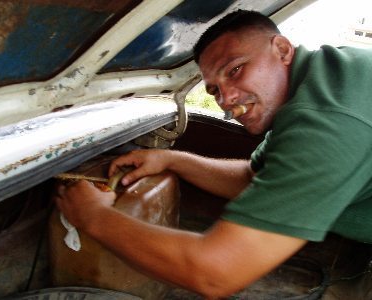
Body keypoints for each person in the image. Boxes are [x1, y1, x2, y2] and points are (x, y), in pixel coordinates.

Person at [54, 9, 372, 299]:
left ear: (282, 50)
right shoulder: (325, 79)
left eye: (235, 70)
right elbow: (257, 179)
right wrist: (174, 161)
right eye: (214, 90)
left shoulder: (329, 120)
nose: (226, 99)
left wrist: (93, 217)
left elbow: (216, 274)